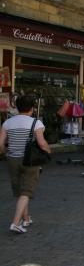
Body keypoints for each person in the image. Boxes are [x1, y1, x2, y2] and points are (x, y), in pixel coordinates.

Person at [0, 95, 51, 234]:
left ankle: (26, 219)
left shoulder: (7, 123)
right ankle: (15, 223)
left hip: (12, 159)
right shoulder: (36, 123)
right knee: (27, 191)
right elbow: (41, 143)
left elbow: (0, 144)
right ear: (32, 108)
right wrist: (48, 151)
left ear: (16, 107)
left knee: (21, 191)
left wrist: (6, 153)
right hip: (30, 160)